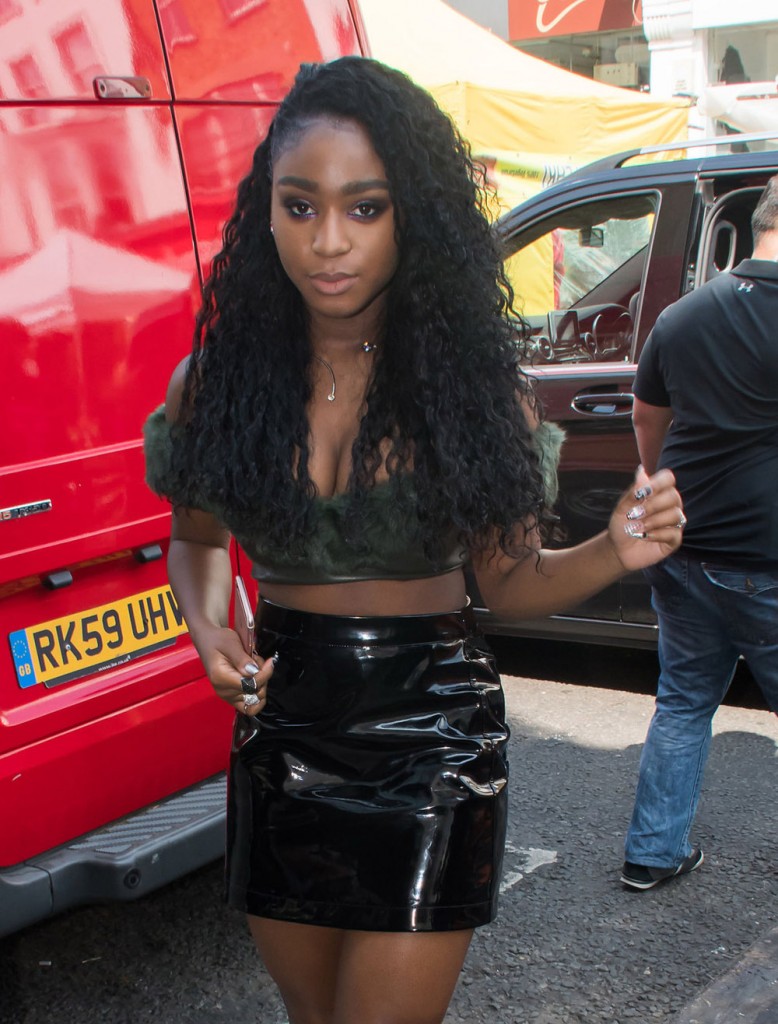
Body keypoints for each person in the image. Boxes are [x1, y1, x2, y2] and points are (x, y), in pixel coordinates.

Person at [143, 57, 684, 1024]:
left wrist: (615, 552)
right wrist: (204, 626)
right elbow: (196, 538)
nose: (329, 243)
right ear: (264, 213)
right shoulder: (218, 385)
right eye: (300, 207)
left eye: (365, 208)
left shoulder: (473, 394)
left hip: (433, 735)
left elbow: (509, 585)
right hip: (285, 728)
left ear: (412, 217)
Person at [621, 176, 778, 892]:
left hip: (681, 547)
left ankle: (653, 852)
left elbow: (646, 419)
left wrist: (658, 488)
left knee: (683, 699)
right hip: (766, 556)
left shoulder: (683, 315)